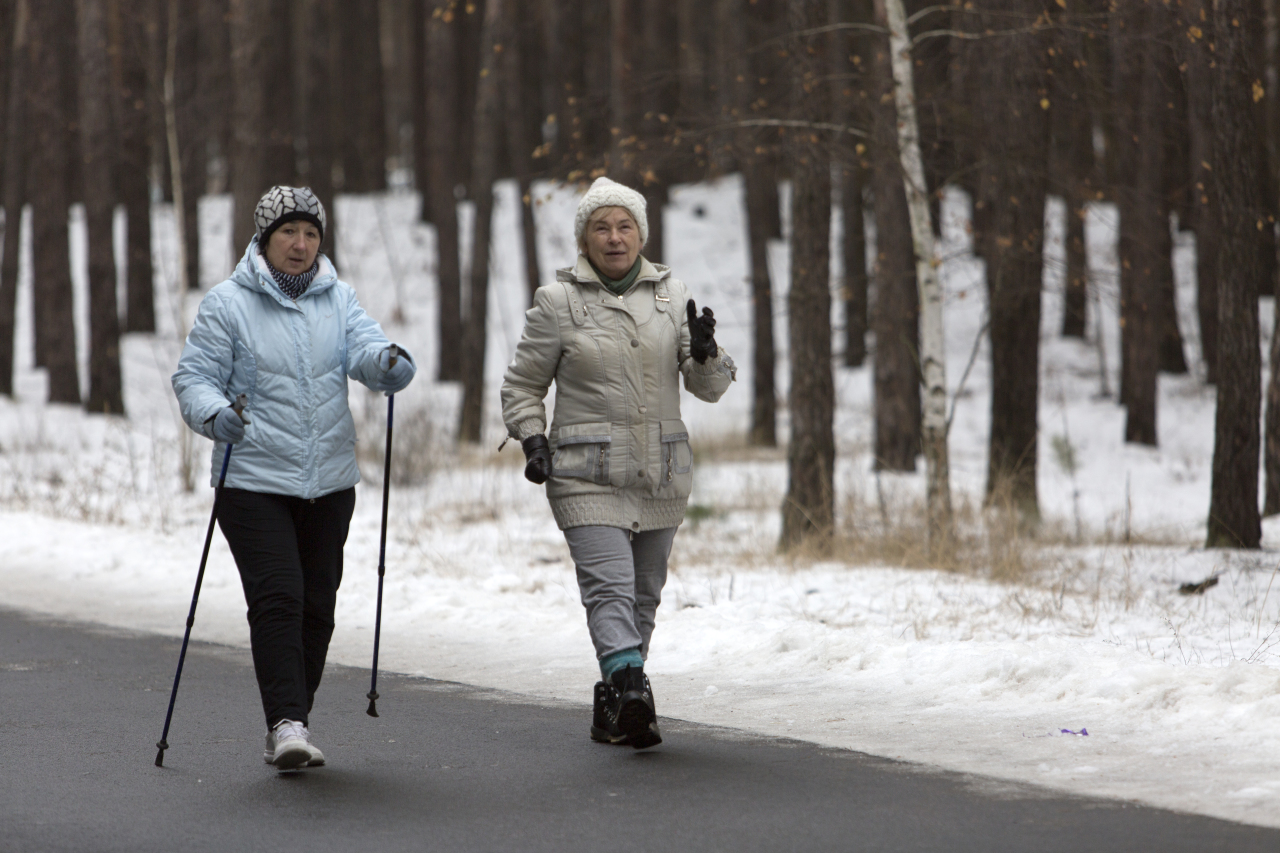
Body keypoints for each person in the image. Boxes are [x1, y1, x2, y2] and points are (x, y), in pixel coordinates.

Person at [172, 186, 416, 770]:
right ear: (264, 238)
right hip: (252, 479)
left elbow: (365, 349)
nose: (301, 244)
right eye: (289, 233)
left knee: (317, 605)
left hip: (328, 483)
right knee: (278, 596)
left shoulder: (339, 299)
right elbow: (193, 379)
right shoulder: (228, 303)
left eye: (311, 234)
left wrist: (388, 363)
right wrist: (215, 415)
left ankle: (292, 719)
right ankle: (286, 724)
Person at [501, 177, 735, 749]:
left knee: (643, 596)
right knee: (610, 588)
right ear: (585, 238)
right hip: (585, 473)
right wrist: (533, 440)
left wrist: (707, 354)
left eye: (624, 226)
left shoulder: (670, 296)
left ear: (641, 235)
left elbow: (710, 388)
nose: (614, 237)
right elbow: (522, 388)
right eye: (601, 227)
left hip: (660, 472)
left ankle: (616, 703)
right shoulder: (556, 304)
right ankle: (633, 685)